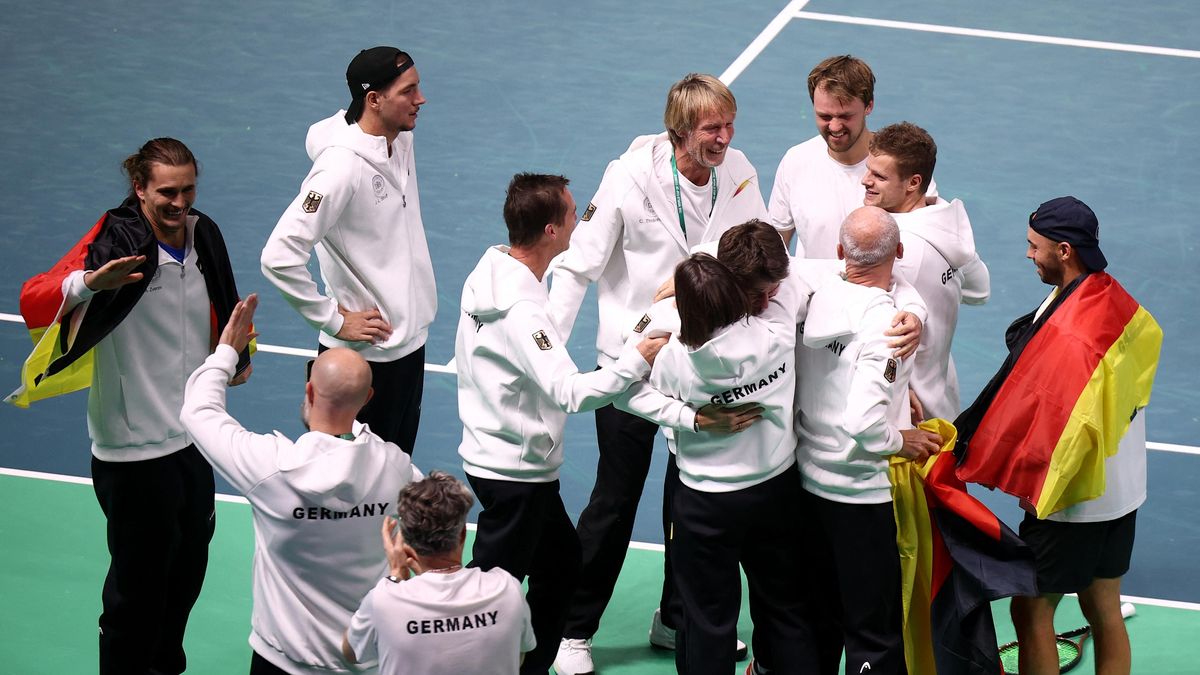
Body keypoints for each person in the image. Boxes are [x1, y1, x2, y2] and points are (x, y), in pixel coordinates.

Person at [548, 72, 767, 673]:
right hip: (630, 363)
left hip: (701, 363)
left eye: (729, 125)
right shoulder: (628, 178)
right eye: (710, 129)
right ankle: (574, 630)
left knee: (688, 501)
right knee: (614, 501)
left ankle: (676, 619)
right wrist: (548, 352)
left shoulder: (740, 168)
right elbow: (577, 265)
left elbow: (756, 245)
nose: (724, 138)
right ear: (678, 133)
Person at [7, 138, 251, 675]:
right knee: (135, 598)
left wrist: (235, 352)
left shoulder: (203, 233)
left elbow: (221, 301)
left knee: (186, 578)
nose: (179, 202)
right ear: (139, 187)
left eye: (188, 188)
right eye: (167, 191)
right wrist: (90, 284)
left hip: (193, 439)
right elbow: (35, 295)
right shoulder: (116, 238)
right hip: (132, 452)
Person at [456, 173, 667, 675]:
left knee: (560, 564)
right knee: (489, 592)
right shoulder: (523, 308)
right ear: (551, 230)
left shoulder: (491, 270)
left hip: (503, 455)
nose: (580, 219)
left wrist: (642, 323)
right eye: (573, 214)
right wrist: (636, 357)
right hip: (516, 471)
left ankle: (525, 663)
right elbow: (571, 392)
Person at [953, 197, 1161, 675]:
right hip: (1122, 492)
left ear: (1064, 250)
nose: (1028, 255)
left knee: (1030, 610)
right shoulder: (1114, 299)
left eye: (1035, 247)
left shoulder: (1071, 335)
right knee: (1104, 606)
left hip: (1072, 502)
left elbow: (1051, 425)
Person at [181, 294, 419, 674]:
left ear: (309, 391)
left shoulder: (271, 468)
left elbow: (198, 410)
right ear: (368, 399)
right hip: (366, 662)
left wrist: (226, 352)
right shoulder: (395, 468)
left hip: (281, 662)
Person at [640, 252, 816, 675]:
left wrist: (693, 418)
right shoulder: (775, 333)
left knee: (705, 620)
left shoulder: (673, 362)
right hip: (776, 491)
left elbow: (623, 390)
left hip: (705, 505)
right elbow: (797, 272)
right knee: (787, 609)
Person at [261, 45, 434, 455]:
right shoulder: (340, 168)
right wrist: (334, 320)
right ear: (373, 100)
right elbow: (279, 254)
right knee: (349, 493)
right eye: (408, 91)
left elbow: (332, 126)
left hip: (407, 347)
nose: (420, 99)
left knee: (392, 480)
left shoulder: (397, 135)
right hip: (365, 363)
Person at [794, 206, 943, 675]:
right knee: (874, 630)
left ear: (840, 253)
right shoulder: (886, 326)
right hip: (860, 495)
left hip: (806, 483)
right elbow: (863, 422)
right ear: (898, 253)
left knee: (816, 616)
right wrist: (903, 440)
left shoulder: (814, 292)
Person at [343, 472, 535, 675]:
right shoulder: (507, 589)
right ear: (462, 534)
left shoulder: (385, 599)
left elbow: (352, 653)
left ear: (406, 544)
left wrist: (396, 575)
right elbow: (518, 656)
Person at [862, 121, 990, 421]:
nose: (865, 181)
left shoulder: (895, 249)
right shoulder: (945, 222)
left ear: (913, 183)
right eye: (869, 170)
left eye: (879, 176)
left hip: (903, 406)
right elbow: (980, 290)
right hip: (941, 393)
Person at [767, 55, 936, 258]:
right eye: (824, 116)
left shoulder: (905, 167)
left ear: (869, 106)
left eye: (846, 116)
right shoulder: (795, 161)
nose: (835, 127)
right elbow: (777, 241)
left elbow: (923, 248)